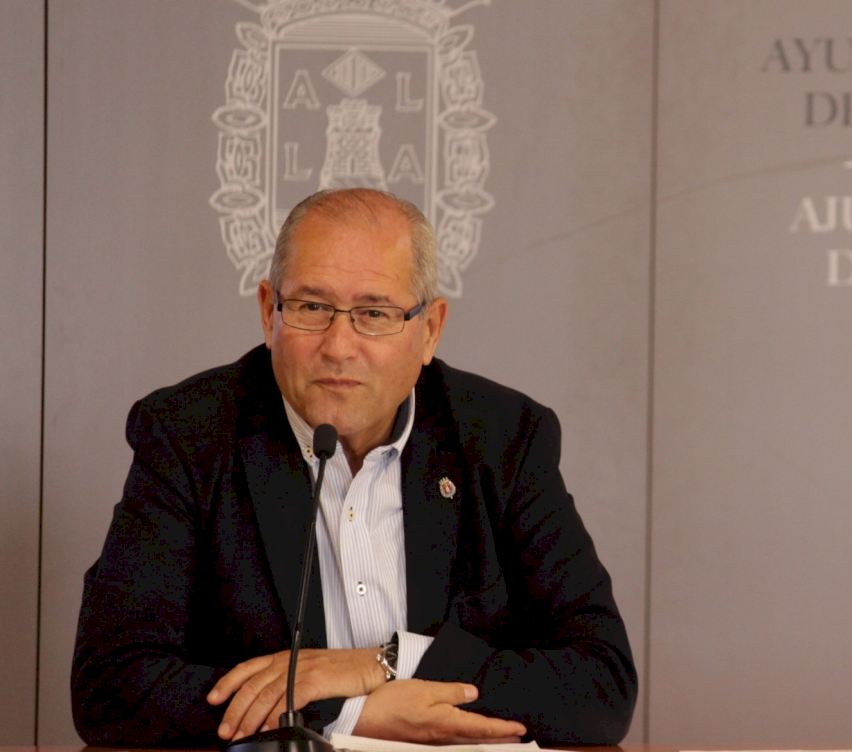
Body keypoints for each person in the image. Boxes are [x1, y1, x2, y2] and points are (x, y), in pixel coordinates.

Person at [71, 188, 637, 747]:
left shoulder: (503, 439)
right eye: (312, 308)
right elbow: (110, 685)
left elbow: (602, 684)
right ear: (269, 313)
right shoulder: (189, 435)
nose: (339, 346)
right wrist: (343, 712)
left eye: (374, 313)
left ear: (429, 330)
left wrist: (384, 662)